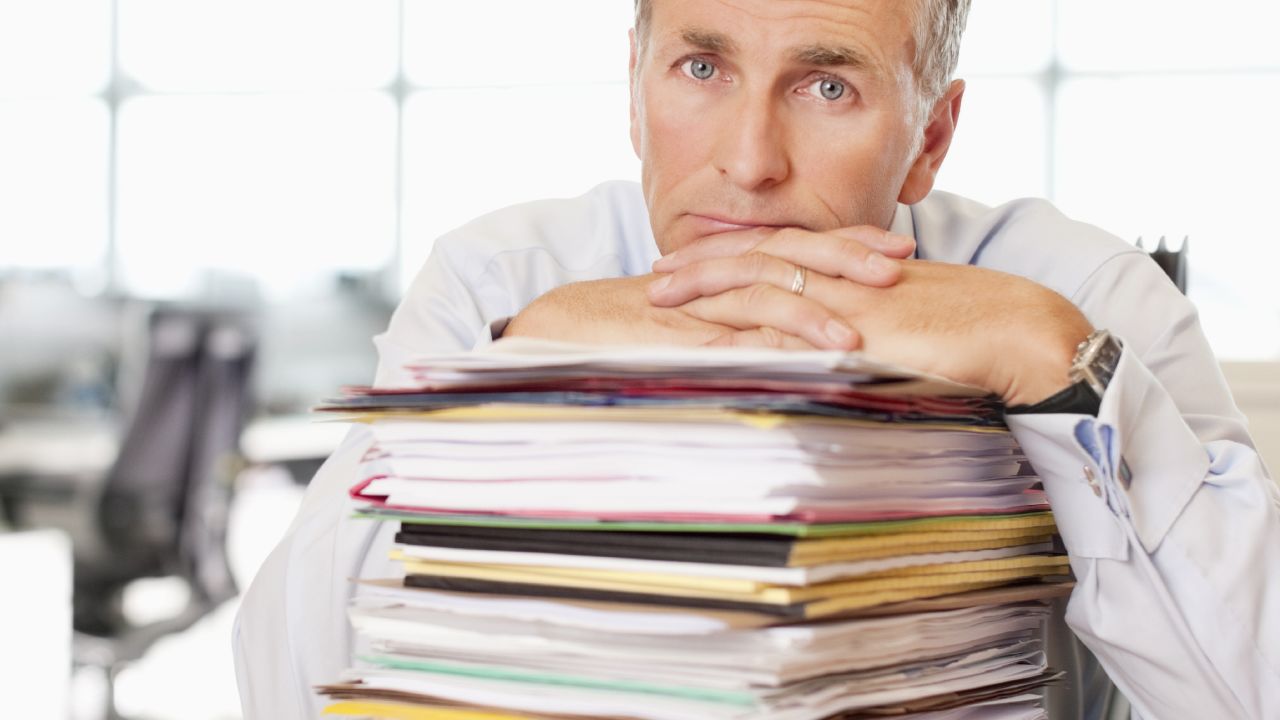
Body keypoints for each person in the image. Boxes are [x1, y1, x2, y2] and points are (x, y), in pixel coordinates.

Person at [233, 0, 1280, 717]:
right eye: (700, 67)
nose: (747, 163)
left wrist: (1047, 361)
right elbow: (290, 682)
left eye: (825, 87)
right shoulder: (507, 280)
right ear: (632, 90)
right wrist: (526, 375)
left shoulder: (1075, 294)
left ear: (927, 136)